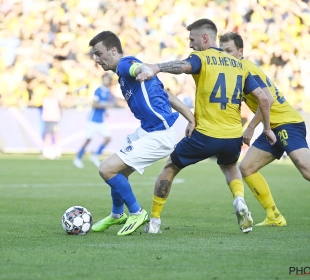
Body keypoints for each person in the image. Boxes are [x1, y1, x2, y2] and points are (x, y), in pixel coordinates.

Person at [136, 18, 276, 234]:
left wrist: (157, 67)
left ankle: (154, 222)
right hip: (232, 137)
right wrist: (264, 129)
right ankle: (239, 200)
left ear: (204, 37)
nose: (190, 44)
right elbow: (265, 99)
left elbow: (183, 66)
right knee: (230, 167)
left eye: (192, 39)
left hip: (205, 134)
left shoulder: (201, 57)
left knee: (170, 167)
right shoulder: (239, 65)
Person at [218, 31, 310, 230]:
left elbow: (268, 100)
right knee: (246, 168)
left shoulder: (247, 69)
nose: (225, 55)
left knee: (308, 171)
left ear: (240, 52)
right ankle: (274, 216)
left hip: (288, 123)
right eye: (222, 51)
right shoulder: (232, 73)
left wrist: (251, 127)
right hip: (271, 126)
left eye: (229, 51)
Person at [88, 31, 196, 236]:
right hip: (147, 131)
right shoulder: (122, 77)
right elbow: (167, 95)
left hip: (158, 135)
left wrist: (142, 69)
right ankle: (117, 214)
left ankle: (137, 212)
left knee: (106, 169)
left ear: (113, 50)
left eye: (99, 53)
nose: (97, 60)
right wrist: (190, 118)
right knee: (117, 173)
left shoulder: (124, 64)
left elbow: (134, 66)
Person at [73, 74, 114, 169]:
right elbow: (95, 104)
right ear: (102, 80)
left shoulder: (108, 92)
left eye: (108, 79)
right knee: (88, 139)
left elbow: (104, 104)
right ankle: (78, 158)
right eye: (105, 79)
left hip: (101, 120)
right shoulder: (98, 90)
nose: (106, 81)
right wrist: (106, 105)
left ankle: (95, 155)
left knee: (108, 138)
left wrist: (106, 111)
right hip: (93, 119)